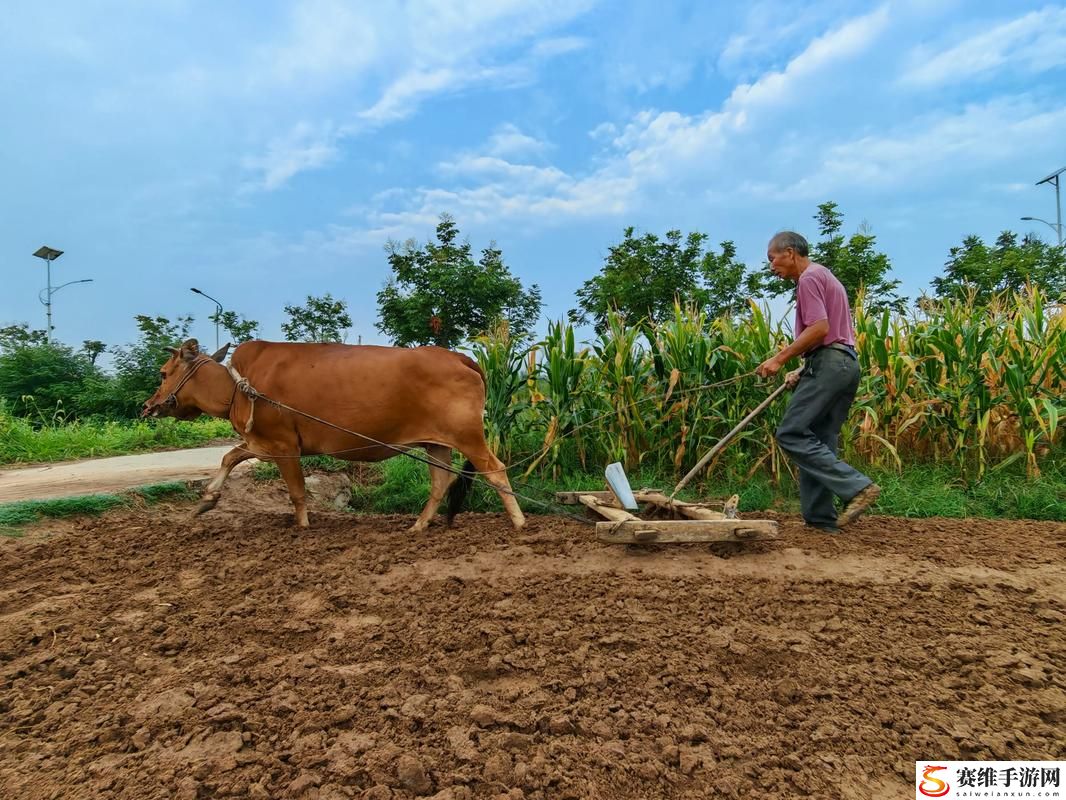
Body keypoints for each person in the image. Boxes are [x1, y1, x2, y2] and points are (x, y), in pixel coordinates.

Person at [755, 231, 880, 533]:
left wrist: (779, 359)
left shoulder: (809, 278)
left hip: (829, 364)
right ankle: (822, 520)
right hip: (844, 363)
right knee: (819, 439)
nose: (772, 266)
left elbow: (820, 328)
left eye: (773, 259)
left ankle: (856, 486)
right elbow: (833, 334)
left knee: (791, 433)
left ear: (790, 252)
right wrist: (802, 368)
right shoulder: (826, 275)